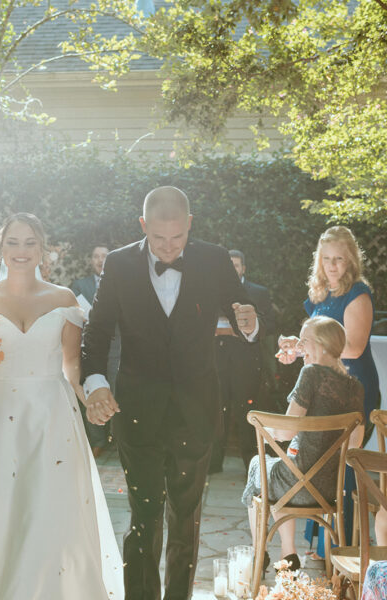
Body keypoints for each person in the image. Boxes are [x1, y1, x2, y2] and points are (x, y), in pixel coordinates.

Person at [82, 186, 260, 600]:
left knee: (186, 518)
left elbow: (244, 314)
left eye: (177, 238)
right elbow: (98, 329)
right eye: (158, 238)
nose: (167, 247)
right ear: (143, 226)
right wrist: (95, 383)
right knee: (143, 516)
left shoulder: (214, 259)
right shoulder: (119, 263)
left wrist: (249, 324)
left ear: (190, 226)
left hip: (196, 409)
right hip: (137, 409)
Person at [0, 213, 123, 600]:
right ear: (0, 249)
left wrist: (90, 399)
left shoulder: (63, 299)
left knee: (47, 510)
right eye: (12, 243)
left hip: (50, 414)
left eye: (29, 243)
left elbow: (72, 365)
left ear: (43, 249)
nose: (21, 251)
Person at [278, 225, 379, 553]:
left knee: (343, 465)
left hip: (350, 389)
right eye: (326, 259)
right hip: (321, 388)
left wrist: (312, 347)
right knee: (317, 460)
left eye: (339, 259)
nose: (332, 265)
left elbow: (353, 346)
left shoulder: (358, 293)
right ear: (318, 260)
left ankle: (343, 547)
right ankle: (321, 546)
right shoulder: (318, 294)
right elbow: (315, 337)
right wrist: (296, 345)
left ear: (350, 260)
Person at [245, 316, 364, 570]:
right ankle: (288, 556)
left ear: (321, 345)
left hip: (297, 482)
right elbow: (355, 443)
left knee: (261, 464)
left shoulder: (310, 374)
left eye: (304, 342)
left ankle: (262, 554)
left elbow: (287, 432)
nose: (300, 348)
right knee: (283, 469)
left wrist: (268, 430)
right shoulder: (355, 387)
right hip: (330, 488)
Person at [209, 249, 276, 473]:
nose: (232, 269)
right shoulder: (211, 290)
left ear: (243, 268)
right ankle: (213, 462)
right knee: (217, 411)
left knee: (246, 412)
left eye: (236, 265)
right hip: (216, 361)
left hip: (246, 362)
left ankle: (251, 463)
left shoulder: (259, 292)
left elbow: (269, 323)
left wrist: (235, 328)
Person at [71, 245, 121, 457]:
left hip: (118, 346)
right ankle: (98, 440)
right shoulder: (80, 286)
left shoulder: (121, 283)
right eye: (96, 256)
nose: (100, 260)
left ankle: (119, 438)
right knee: (91, 389)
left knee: (118, 390)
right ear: (91, 260)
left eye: (105, 256)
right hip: (89, 346)